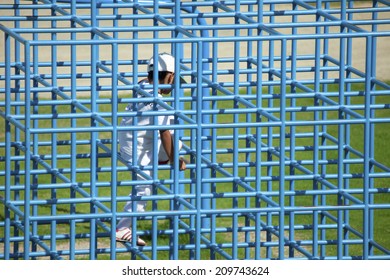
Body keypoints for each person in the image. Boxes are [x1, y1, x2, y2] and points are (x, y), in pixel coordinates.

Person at [116, 53, 187, 246]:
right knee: (144, 188)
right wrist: (175, 159)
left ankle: (165, 157)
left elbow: (144, 80)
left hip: (130, 141)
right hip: (136, 148)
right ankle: (122, 228)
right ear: (170, 76)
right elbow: (164, 133)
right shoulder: (159, 103)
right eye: (173, 81)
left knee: (175, 141)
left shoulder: (142, 86)